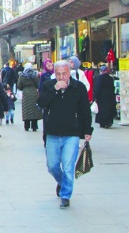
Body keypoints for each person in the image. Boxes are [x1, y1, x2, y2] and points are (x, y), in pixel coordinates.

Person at [37, 60, 93, 209]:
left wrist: (88, 130)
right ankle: (62, 182)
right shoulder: (49, 86)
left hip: (71, 133)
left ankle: (65, 195)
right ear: (54, 74)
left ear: (70, 72)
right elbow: (41, 103)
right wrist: (55, 89)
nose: (62, 77)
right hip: (52, 133)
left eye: (64, 73)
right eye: (58, 74)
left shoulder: (78, 87)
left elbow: (85, 111)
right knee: (52, 166)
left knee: (68, 166)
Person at [18, 62, 41, 131]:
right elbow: (38, 84)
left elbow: (19, 85)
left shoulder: (22, 75)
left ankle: (26, 126)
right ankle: (34, 126)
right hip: (34, 93)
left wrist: (24, 88)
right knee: (34, 110)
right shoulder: (35, 75)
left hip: (26, 93)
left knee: (26, 110)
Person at [93, 65, 117, 129]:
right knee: (109, 109)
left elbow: (97, 88)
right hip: (110, 97)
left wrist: (95, 96)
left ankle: (103, 123)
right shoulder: (110, 78)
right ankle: (108, 122)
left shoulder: (100, 78)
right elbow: (112, 88)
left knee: (102, 110)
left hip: (102, 97)